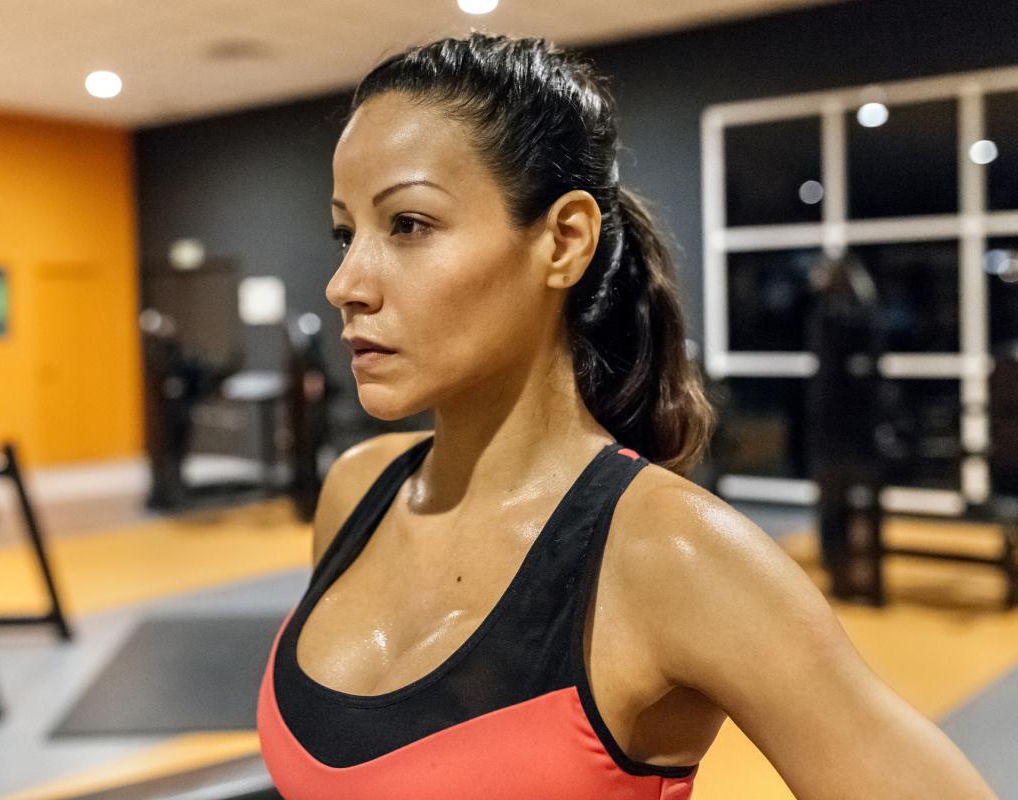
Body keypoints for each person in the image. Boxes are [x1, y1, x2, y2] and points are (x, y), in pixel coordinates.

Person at [256, 32, 997, 800]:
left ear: (563, 240)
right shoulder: (355, 494)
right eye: (346, 233)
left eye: (407, 225)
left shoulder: (669, 555)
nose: (346, 282)